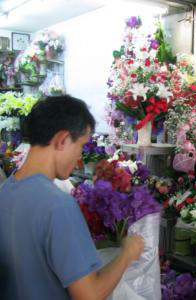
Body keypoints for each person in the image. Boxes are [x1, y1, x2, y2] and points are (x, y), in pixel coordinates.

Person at [0, 95, 145, 300]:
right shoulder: (57, 205)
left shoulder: (5, 191)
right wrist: (127, 254)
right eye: (81, 146)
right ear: (62, 140)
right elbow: (89, 295)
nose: (79, 158)